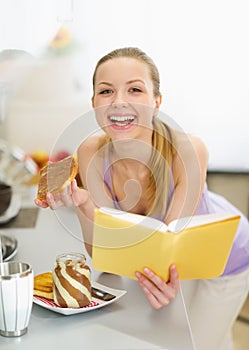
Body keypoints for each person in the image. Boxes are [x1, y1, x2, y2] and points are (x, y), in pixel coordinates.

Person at [35, 47, 249, 350]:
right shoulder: (89, 153)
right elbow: (105, 252)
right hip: (176, 265)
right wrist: (85, 204)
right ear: (94, 103)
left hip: (227, 260)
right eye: (106, 91)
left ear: (156, 102)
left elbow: (170, 248)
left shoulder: (188, 150)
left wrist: (159, 279)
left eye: (135, 89)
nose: (119, 100)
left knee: (197, 344)